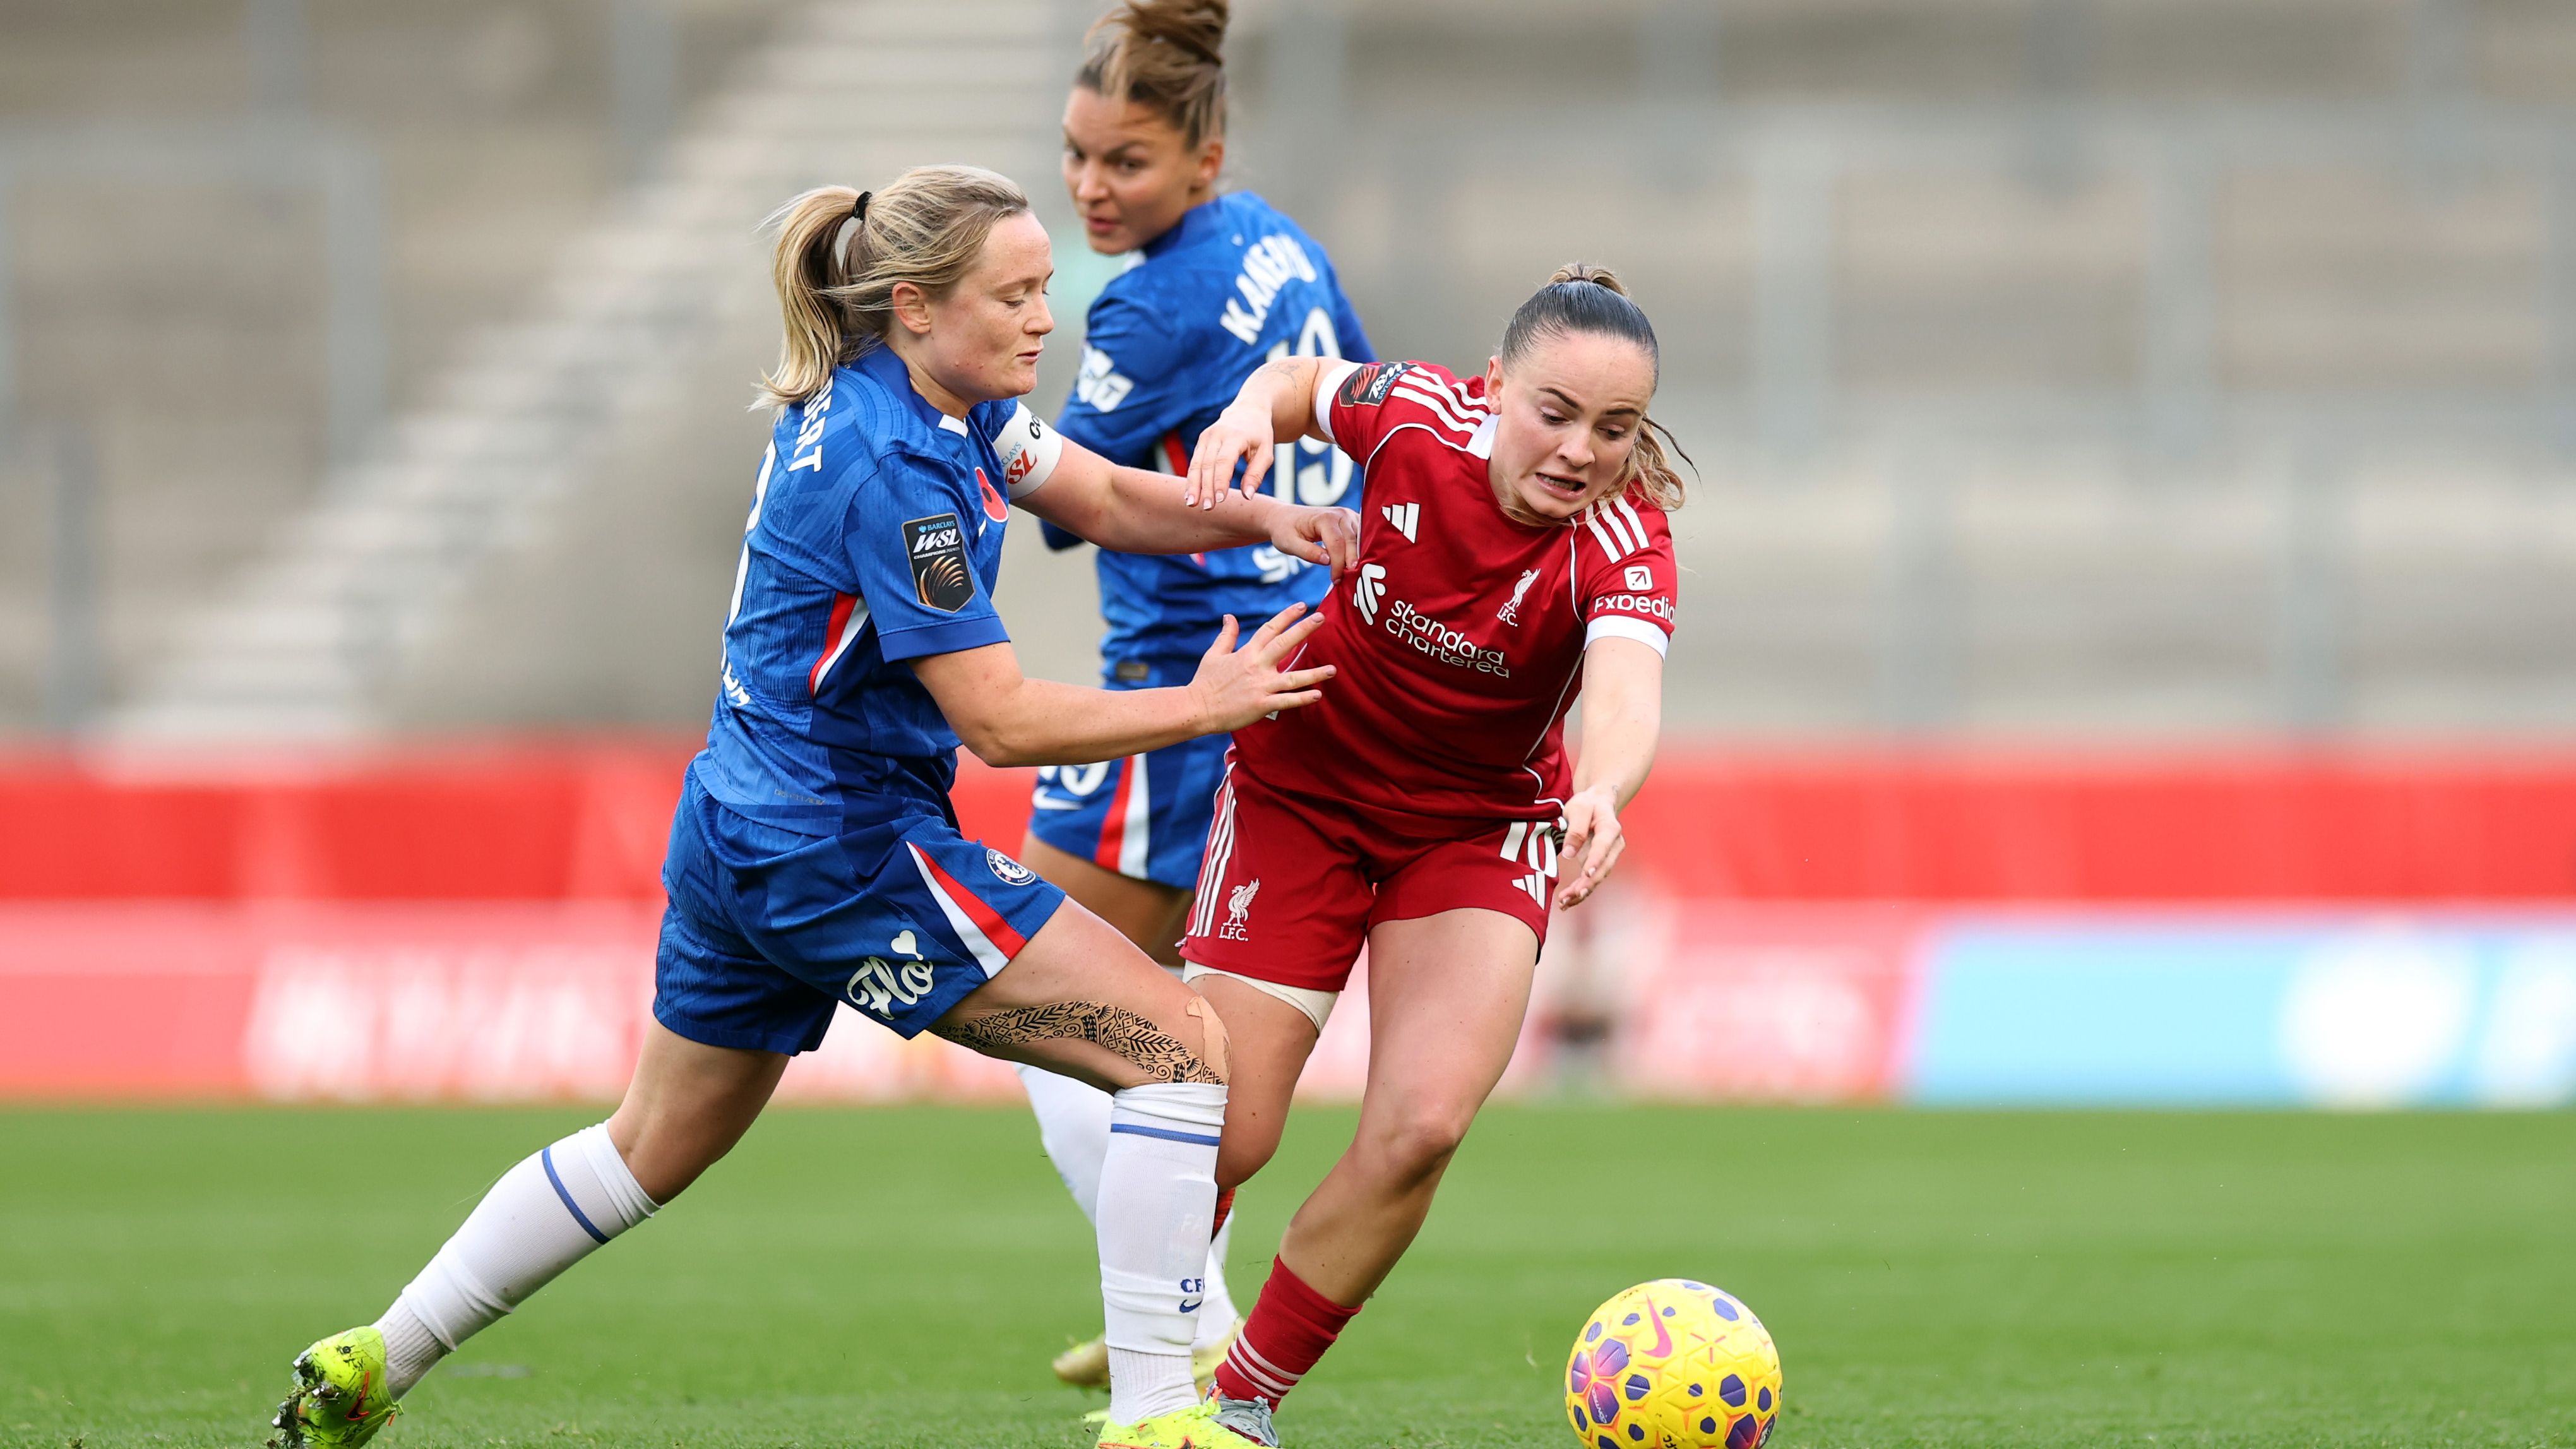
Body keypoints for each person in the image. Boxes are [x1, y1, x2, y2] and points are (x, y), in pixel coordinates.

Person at [265, 164, 1361, 1449]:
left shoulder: (932, 404)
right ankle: (1159, 1416)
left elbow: (1109, 495)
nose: (1040, 318)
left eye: (1043, 289)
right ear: (913, 304)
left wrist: (1267, 513)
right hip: (842, 845)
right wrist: (1205, 700)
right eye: (1013, 295)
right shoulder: (897, 467)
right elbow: (999, 718)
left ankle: (373, 1356)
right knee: (1180, 1047)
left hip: (741, 819)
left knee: (651, 1142)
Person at [1175, 265, 1688, 1447]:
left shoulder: (1624, 537)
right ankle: (1153, 1375)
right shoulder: (1416, 414)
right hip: (1302, 789)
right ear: (1495, 386)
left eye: (1615, 430)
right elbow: (1304, 384)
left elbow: (1624, 684)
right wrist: (1255, 411)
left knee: (1422, 1128)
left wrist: (1602, 790)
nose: (1579, 452)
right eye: (1554, 413)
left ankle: (1237, 1408)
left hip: (1476, 827)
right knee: (1223, 1127)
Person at [1010, 0, 1373, 1395]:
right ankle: (1169, 1291)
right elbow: (1353, 395)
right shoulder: (1283, 242)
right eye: (1080, 156)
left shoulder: (1152, 301)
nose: (1095, 188)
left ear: (1204, 158)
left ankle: (1180, 1301)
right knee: (1131, 1018)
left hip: (1183, 683)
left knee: (1033, 991)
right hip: (1286, 655)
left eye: (1129, 163)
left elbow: (1075, 497)